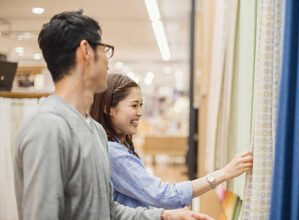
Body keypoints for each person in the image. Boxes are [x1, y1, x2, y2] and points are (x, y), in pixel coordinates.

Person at [13, 10, 212, 220]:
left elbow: (107, 209)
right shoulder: (46, 126)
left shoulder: (95, 130)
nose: (108, 60)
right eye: (104, 49)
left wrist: (163, 216)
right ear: (85, 51)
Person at [90, 74, 253, 209]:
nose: (140, 112)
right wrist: (223, 174)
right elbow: (163, 195)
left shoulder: (119, 146)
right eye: (133, 105)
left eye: (141, 105)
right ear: (108, 109)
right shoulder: (113, 153)